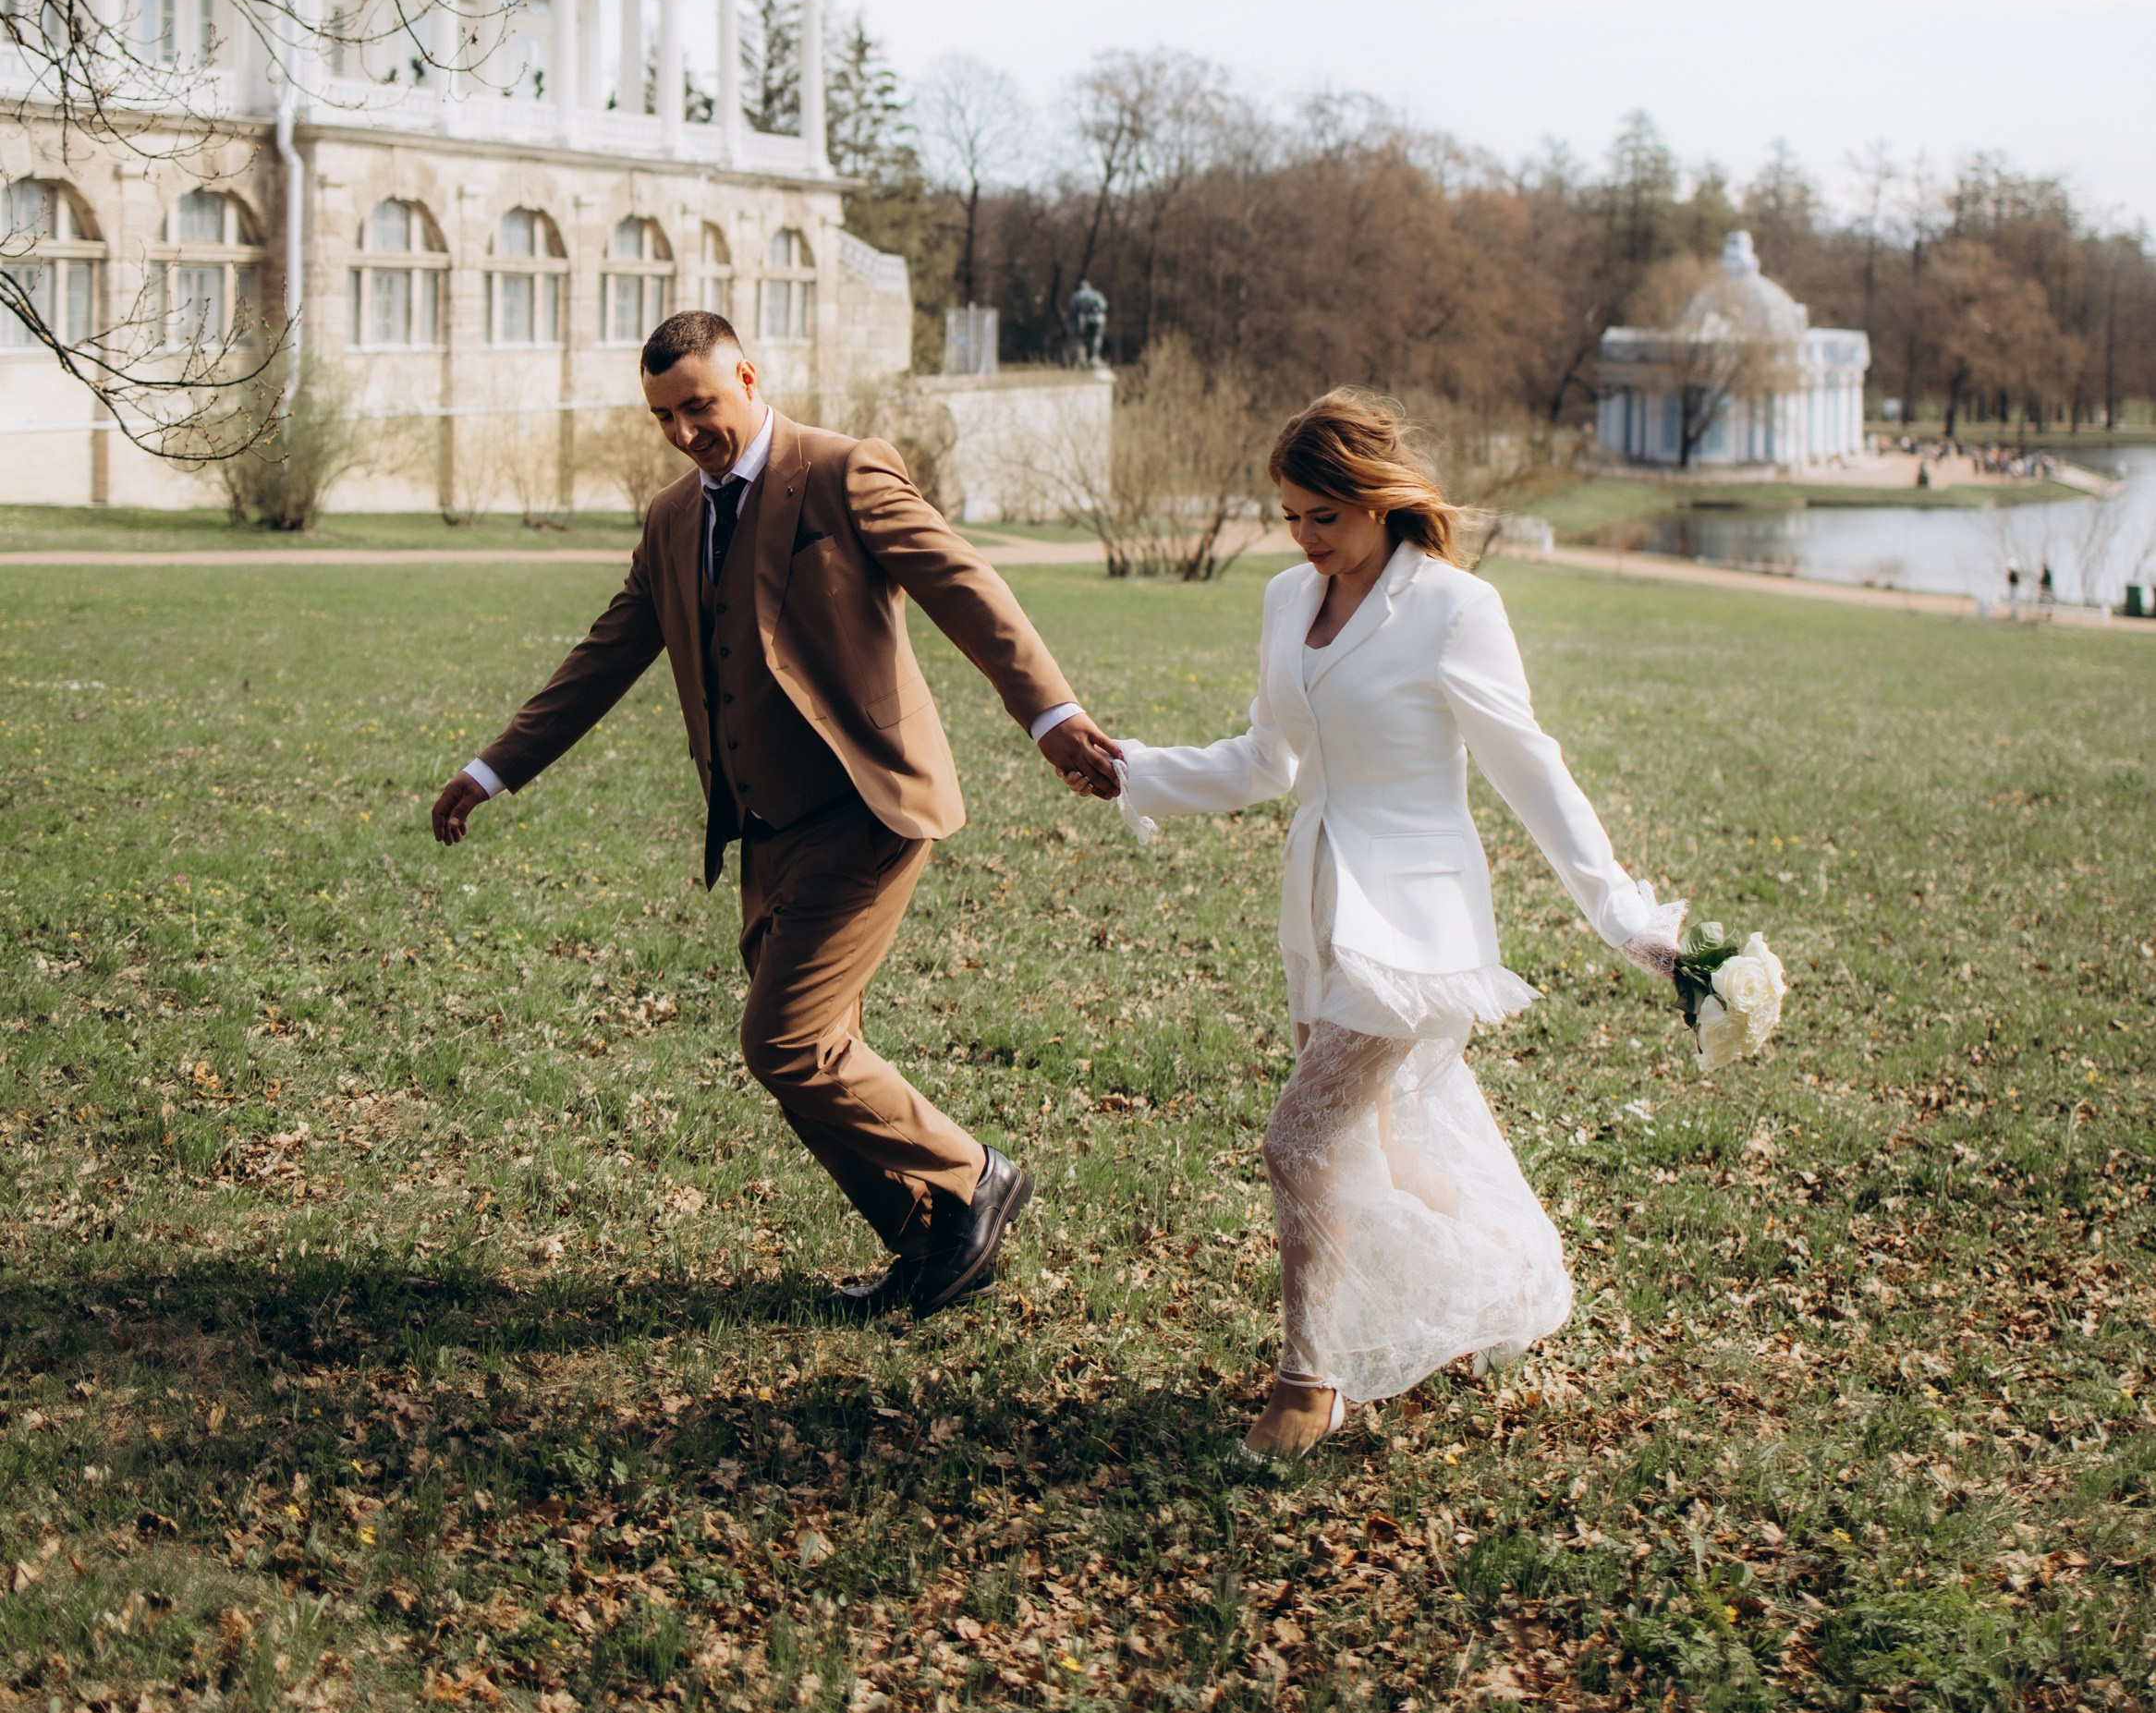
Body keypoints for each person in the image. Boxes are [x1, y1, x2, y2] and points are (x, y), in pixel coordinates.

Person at [431, 311, 1121, 1318]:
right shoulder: (672, 519)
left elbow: (963, 587)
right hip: (763, 829)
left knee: (786, 1043)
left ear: (748, 378)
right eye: (663, 416)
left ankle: (974, 1176)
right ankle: (925, 1240)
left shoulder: (842, 473)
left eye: (698, 405)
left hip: (869, 806)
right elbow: (605, 656)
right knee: (809, 1056)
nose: (684, 432)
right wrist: (494, 768)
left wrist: (1050, 715)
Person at [1112, 391, 1683, 1458]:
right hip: (1319, 907)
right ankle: (1502, 1280)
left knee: (1298, 1139)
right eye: (1289, 515)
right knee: (1363, 1142)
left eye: (1322, 514)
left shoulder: (1454, 608)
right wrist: (1132, 772)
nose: (1302, 536)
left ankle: (1309, 1380)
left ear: (1377, 499)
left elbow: (1531, 769)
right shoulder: (1287, 597)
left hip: (1416, 928)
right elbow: (1264, 759)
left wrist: (1621, 912)